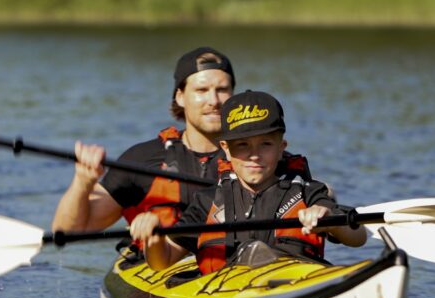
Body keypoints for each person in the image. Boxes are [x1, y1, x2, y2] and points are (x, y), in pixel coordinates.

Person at [129, 90, 367, 274]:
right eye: (242, 145)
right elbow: (163, 261)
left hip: (294, 287)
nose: (254, 155)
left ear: (281, 147)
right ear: (226, 149)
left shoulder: (309, 192)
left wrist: (329, 220)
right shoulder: (207, 201)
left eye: (266, 144)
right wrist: (154, 237)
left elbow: (358, 237)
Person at [51, 47, 235, 238]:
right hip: (158, 254)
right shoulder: (142, 160)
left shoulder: (251, 159)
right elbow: (66, 232)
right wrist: (83, 182)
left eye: (222, 90)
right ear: (180, 96)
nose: (214, 100)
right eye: (201, 90)